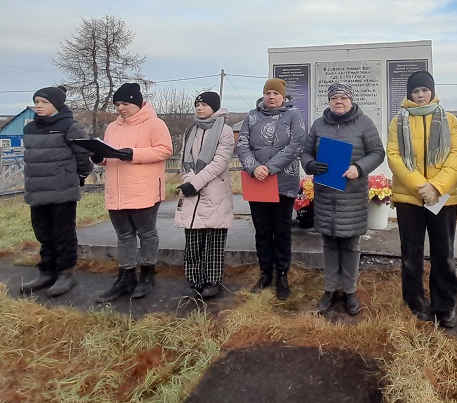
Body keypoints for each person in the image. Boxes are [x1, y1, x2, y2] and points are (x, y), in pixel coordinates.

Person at [386, 71, 457, 327]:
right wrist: (422, 187)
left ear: (432, 91)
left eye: (424, 90)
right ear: (409, 94)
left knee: (444, 253)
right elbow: (394, 156)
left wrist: (437, 187)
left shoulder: (450, 120)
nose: (420, 96)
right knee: (411, 253)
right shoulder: (398, 122)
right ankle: (415, 302)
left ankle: (445, 304)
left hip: (443, 198)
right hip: (410, 198)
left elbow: (456, 155)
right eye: (415, 92)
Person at [301, 82, 385, 316]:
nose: (339, 101)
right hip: (326, 196)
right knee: (328, 244)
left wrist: (359, 167)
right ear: (328, 101)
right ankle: (329, 290)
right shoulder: (319, 125)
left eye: (343, 98)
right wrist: (310, 164)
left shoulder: (364, 123)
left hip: (352, 196)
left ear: (351, 100)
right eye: (334, 98)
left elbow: (378, 152)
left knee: (350, 245)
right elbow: (306, 152)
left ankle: (350, 291)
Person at [92, 83, 173, 303]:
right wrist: (99, 157)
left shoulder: (154, 124)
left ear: (137, 103)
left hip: (143, 189)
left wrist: (133, 154)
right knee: (124, 235)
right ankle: (126, 276)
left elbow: (165, 149)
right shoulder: (112, 128)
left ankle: (147, 274)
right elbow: (110, 155)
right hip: (117, 191)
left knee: (146, 233)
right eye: (117, 104)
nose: (120, 108)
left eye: (125, 103)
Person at [237, 78, 306, 300]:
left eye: (276, 93)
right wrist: (254, 167)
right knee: (263, 230)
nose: (272, 97)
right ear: (263, 95)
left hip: (283, 182)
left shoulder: (294, 116)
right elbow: (243, 144)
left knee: (282, 230)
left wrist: (270, 167)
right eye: (268, 93)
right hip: (257, 182)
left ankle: (282, 275)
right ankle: (266, 274)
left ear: (283, 96)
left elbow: (296, 145)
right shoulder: (252, 116)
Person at [21, 85, 93, 297]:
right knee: (43, 233)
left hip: (62, 190)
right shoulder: (30, 128)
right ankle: (46, 271)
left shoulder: (70, 126)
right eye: (36, 102)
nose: (38, 106)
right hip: (37, 190)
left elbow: (83, 155)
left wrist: (79, 177)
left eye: (44, 102)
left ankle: (65, 274)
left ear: (57, 105)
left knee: (63, 233)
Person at [175, 91, 235, 298]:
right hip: (192, 192)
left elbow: (219, 162)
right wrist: (187, 181)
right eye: (197, 104)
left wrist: (196, 183)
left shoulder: (224, 131)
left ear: (215, 107)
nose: (199, 108)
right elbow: (185, 160)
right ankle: (194, 279)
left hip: (215, 191)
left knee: (214, 241)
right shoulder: (191, 130)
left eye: (204, 105)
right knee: (192, 241)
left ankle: (212, 280)